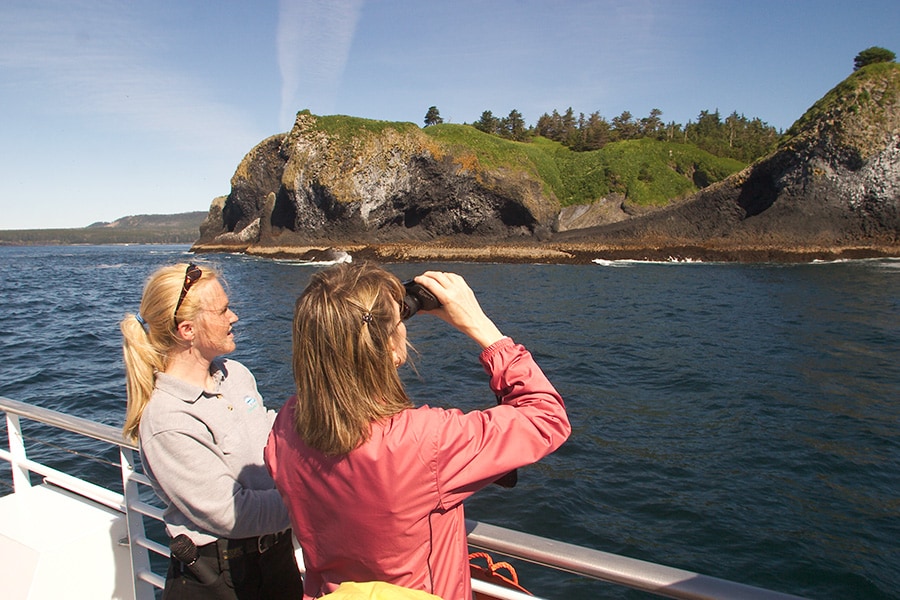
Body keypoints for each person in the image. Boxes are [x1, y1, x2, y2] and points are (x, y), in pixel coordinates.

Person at [265, 262, 571, 600]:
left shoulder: (286, 425)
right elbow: (547, 418)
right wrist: (482, 327)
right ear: (391, 350)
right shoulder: (425, 442)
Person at [120, 262, 302, 600]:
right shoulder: (166, 418)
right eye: (222, 311)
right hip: (221, 579)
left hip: (276, 562)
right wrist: (315, 497)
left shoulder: (236, 375)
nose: (234, 317)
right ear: (187, 330)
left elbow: (273, 435)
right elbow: (232, 514)